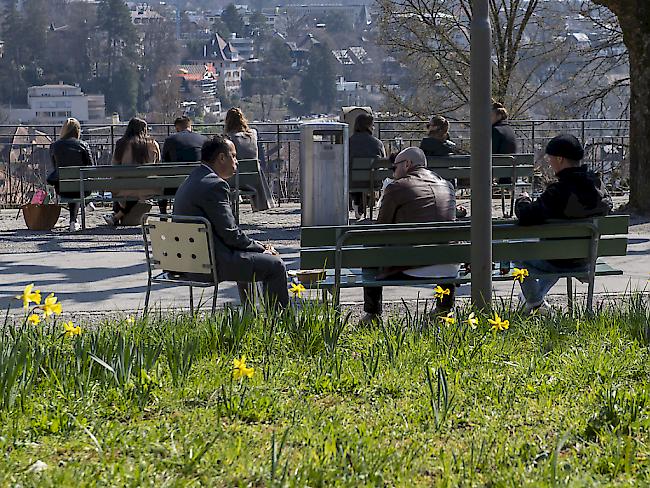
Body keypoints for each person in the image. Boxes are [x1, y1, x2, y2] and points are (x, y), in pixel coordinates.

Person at [173, 135, 289, 308]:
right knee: (275, 265)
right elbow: (231, 235)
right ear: (221, 158)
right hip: (209, 264)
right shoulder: (214, 185)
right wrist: (262, 248)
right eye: (233, 156)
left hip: (185, 262)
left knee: (250, 257)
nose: (236, 161)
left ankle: (250, 316)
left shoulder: (191, 180)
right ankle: (279, 323)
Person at [515, 134, 613, 313]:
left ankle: (535, 301)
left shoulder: (557, 192)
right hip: (586, 259)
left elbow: (526, 216)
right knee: (560, 251)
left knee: (516, 251)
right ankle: (535, 301)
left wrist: (522, 200)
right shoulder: (598, 187)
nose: (550, 162)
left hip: (557, 259)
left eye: (550, 158)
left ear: (559, 158)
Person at [361, 147, 458, 324]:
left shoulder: (396, 187)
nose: (393, 172)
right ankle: (444, 309)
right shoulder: (448, 186)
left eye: (394, 168)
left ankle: (372, 315)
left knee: (369, 246)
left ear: (407, 164)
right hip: (449, 267)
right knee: (440, 244)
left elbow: (381, 230)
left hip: (411, 266)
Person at [104, 117, 160, 226]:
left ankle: (117, 215)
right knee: (138, 186)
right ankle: (118, 215)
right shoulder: (153, 144)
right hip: (148, 188)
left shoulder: (121, 144)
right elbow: (157, 165)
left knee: (123, 185)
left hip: (124, 188)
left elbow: (114, 167)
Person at [224, 108, 275, 211]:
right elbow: (261, 154)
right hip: (255, 179)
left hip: (235, 180)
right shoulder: (254, 134)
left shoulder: (229, 138)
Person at [48, 118, 94, 232]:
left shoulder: (54, 146)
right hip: (83, 188)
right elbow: (91, 167)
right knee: (78, 185)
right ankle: (86, 203)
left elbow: (55, 168)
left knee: (72, 184)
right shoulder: (83, 145)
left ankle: (73, 221)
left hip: (63, 188)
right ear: (77, 131)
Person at [159, 115, 207, 214]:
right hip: (199, 183)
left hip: (175, 186)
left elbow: (165, 163)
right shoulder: (203, 140)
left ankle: (163, 215)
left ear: (177, 128)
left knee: (163, 183)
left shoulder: (170, 140)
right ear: (190, 126)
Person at [349, 112, 387, 219]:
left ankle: (357, 202)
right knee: (368, 176)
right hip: (373, 182)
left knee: (355, 176)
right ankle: (364, 202)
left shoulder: (348, 142)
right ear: (369, 126)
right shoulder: (378, 143)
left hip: (351, 182)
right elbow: (383, 161)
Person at [491, 101, 517, 185]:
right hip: (511, 167)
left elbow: (492, 151)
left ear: (498, 116)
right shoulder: (510, 129)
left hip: (498, 166)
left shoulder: (495, 130)